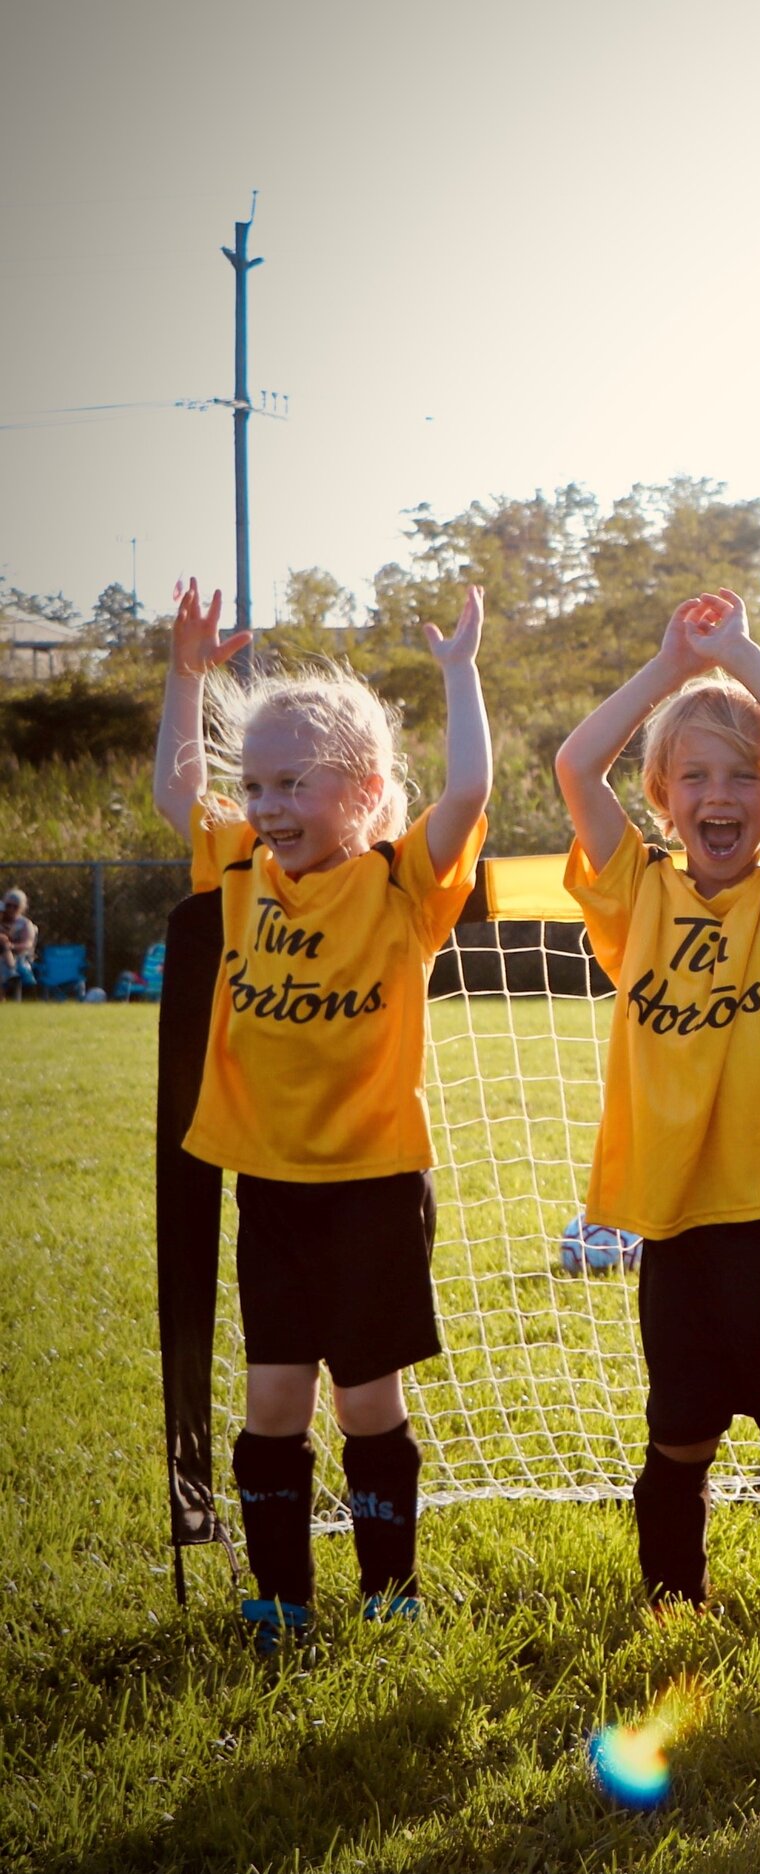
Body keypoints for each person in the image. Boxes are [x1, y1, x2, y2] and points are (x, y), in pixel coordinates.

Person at [150, 577, 491, 1648]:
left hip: (377, 1188)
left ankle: (391, 1586)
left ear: (367, 789)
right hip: (274, 1194)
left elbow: (473, 789)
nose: (268, 806)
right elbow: (176, 786)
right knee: (273, 1400)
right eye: (256, 785)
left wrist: (458, 672)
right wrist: (186, 675)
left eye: (293, 782)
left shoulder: (401, 885)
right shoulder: (244, 872)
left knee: (368, 1402)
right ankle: (280, 1596)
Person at [555, 589, 760, 1644]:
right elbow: (574, 766)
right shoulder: (633, 892)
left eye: (744, 774)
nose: (719, 792)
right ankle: (673, 1602)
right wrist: (665, 670)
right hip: (677, 1217)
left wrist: (742, 654)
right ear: (661, 797)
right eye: (693, 775)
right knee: (679, 1435)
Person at [1, 889, 36, 997]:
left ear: (21, 908)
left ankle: (11, 975)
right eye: (8, 905)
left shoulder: (25, 924)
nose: (11, 909)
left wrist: (11, 946)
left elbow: (28, 944)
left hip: (19, 956)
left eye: (15, 906)